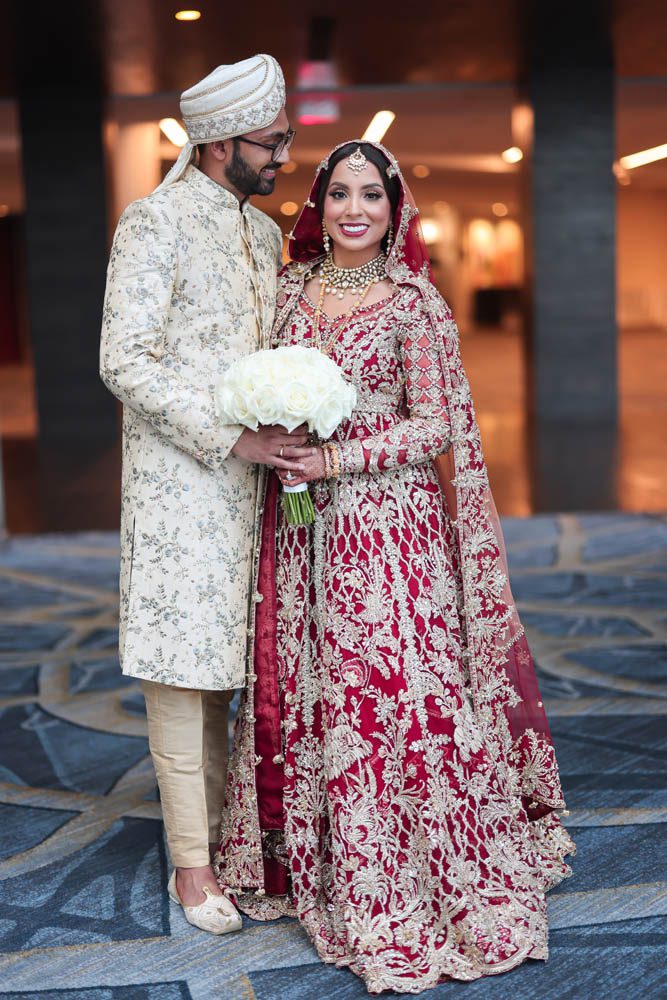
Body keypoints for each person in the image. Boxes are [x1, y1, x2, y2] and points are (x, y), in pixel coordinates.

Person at [218, 140, 576, 990]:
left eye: (369, 196)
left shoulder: (415, 304)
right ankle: (326, 861)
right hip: (301, 524)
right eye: (338, 193)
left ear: (393, 207)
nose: (352, 210)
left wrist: (339, 463)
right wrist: (280, 439)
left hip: (388, 522)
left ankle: (419, 871)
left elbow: (435, 427)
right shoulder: (289, 291)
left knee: (387, 678)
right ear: (318, 202)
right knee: (316, 676)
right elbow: (257, 380)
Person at [100, 54, 312, 935]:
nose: (284, 157)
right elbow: (124, 361)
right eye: (272, 143)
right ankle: (192, 870)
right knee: (180, 678)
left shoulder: (260, 234)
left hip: (256, 493)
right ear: (222, 143)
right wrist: (233, 437)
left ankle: (230, 848)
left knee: (238, 675)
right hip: (182, 489)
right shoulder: (152, 225)